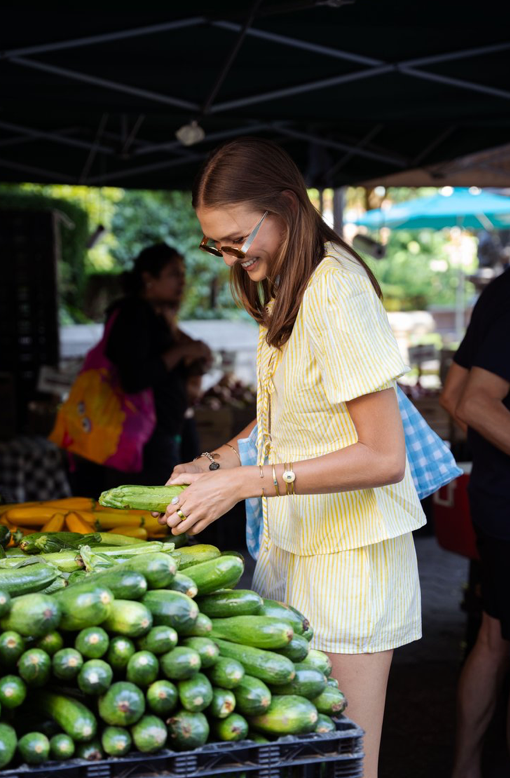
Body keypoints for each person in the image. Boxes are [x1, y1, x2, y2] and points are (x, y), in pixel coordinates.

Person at [158, 138, 426, 778]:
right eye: (215, 246)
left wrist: (250, 481)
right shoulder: (288, 284)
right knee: (300, 765)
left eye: (235, 240)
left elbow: (384, 455)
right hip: (295, 550)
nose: (230, 256)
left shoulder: (335, 288)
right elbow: (295, 408)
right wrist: (220, 461)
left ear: (285, 205)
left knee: (343, 765)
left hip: (351, 564)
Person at [439, 267, 510, 778]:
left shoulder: (502, 288)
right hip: (506, 505)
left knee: (494, 636)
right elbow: (474, 403)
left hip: (497, 500)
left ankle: (466, 769)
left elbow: (452, 395)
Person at [71, 243, 212, 496]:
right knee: (152, 510)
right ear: (148, 278)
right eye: (173, 274)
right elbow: (134, 377)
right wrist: (181, 352)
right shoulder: (132, 314)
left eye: (182, 273)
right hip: (144, 441)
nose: (182, 281)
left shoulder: (157, 315)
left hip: (160, 433)